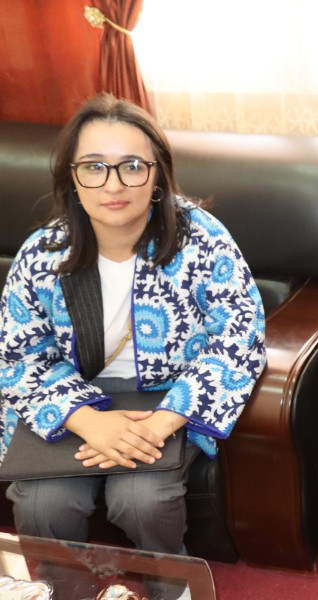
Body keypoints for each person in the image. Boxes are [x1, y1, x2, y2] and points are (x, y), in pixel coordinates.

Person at [0, 94, 266, 599]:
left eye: (132, 166)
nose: (114, 185)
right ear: (72, 179)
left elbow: (239, 335)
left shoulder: (202, 239)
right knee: (42, 505)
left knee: (143, 500)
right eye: (94, 167)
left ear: (157, 175)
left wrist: (161, 424)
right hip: (72, 400)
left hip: (165, 399)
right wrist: (88, 420)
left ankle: (173, 590)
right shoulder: (44, 253)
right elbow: (20, 355)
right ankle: (66, 591)